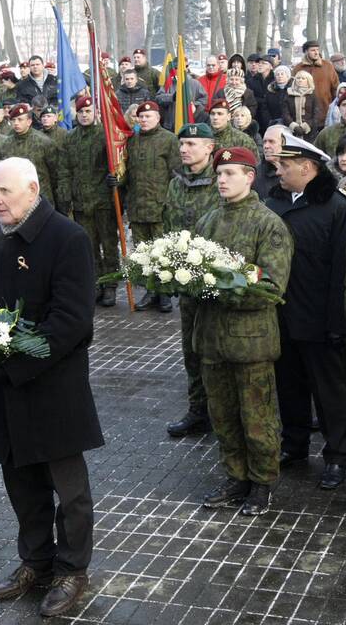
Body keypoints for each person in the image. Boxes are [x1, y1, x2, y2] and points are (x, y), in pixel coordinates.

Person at [0, 158, 102, 617]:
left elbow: (70, 321)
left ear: (33, 188)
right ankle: (35, 560)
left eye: (5, 192)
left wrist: (14, 365)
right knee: (21, 482)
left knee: (68, 491)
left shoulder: (68, 237)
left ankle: (72, 569)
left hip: (53, 387)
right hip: (5, 389)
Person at [196, 147, 293, 517]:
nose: (222, 180)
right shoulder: (207, 221)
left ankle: (262, 483)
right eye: (219, 174)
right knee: (223, 416)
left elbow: (272, 286)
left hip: (250, 341)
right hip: (211, 339)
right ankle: (235, 478)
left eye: (231, 173)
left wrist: (221, 287)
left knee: (257, 418)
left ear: (250, 177)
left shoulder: (268, 224)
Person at [266, 134, 346, 489]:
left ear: (308, 168)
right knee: (289, 387)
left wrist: (338, 322)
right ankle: (295, 445)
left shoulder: (337, 207)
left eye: (285, 167)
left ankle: (336, 456)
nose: (278, 173)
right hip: (281, 315)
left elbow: (343, 269)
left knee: (329, 392)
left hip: (320, 319)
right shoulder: (272, 204)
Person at [163, 123, 220, 437]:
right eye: (182, 143)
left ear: (209, 147)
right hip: (186, 281)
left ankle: (221, 409)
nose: (185, 149)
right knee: (191, 347)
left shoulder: (220, 180)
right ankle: (198, 410)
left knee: (216, 349)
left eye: (192, 144)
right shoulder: (176, 183)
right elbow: (170, 227)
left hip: (215, 280)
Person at [123, 101, 180, 312]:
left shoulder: (169, 140)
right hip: (138, 208)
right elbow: (126, 173)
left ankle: (164, 292)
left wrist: (172, 203)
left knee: (162, 252)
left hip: (160, 207)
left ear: (158, 118)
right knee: (143, 253)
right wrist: (116, 179)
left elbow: (177, 174)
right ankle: (151, 290)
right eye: (141, 117)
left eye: (149, 116)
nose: (144, 120)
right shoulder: (132, 141)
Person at [65, 96, 119, 307]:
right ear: (76, 115)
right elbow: (65, 169)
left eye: (88, 112)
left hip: (103, 200)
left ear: (96, 113)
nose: (85, 115)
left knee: (109, 244)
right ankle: (95, 283)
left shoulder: (105, 135)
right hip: (81, 201)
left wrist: (116, 180)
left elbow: (117, 165)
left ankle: (111, 286)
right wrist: (66, 196)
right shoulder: (70, 138)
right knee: (88, 246)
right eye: (81, 112)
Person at [292, 40, 340, 111]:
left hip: (325, 108)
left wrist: (335, 105)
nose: (316, 52)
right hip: (305, 111)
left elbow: (336, 87)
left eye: (317, 50)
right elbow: (293, 88)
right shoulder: (298, 68)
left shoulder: (327, 66)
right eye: (313, 50)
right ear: (306, 52)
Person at [285, 69, 325, 142]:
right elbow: (285, 113)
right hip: (292, 131)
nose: (300, 80)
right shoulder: (289, 95)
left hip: (310, 132)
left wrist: (306, 126)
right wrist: (293, 126)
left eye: (303, 78)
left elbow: (317, 114)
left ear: (308, 81)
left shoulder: (313, 96)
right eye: (298, 78)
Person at [253, 124, 284, 199]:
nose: (266, 146)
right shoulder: (255, 175)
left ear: (285, 143)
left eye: (271, 141)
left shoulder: (298, 171)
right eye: (264, 142)